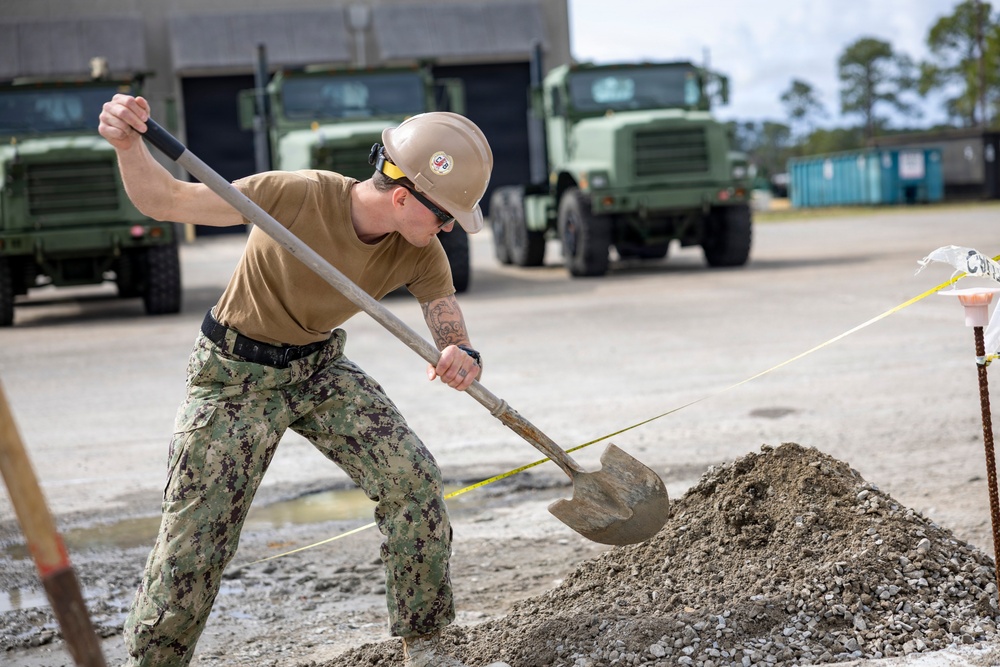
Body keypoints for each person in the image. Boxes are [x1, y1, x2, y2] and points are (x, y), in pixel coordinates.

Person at [99, 94, 510, 667]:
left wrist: (461, 353)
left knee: (412, 479)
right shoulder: (295, 194)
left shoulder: (422, 251)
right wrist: (127, 144)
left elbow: (448, 323)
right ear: (401, 196)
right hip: (233, 374)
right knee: (197, 535)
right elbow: (164, 199)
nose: (448, 227)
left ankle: (430, 643)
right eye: (444, 215)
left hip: (317, 369)